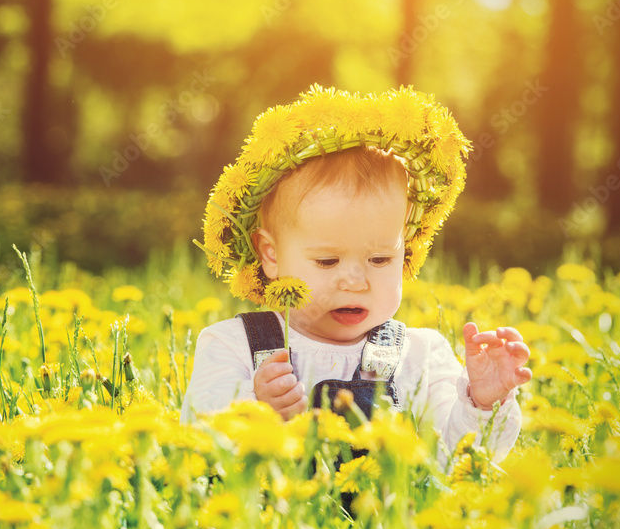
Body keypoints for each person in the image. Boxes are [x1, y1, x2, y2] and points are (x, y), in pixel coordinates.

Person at [181, 85, 531, 467]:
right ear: (272, 255)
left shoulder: (420, 357)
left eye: (380, 259)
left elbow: (455, 463)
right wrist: (257, 413)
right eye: (328, 261)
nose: (355, 281)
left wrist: (484, 403)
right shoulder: (233, 347)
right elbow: (199, 445)